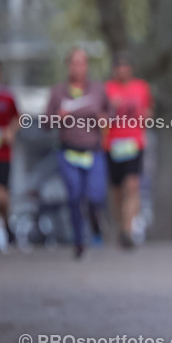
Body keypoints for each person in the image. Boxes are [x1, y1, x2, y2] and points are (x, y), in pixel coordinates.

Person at [45, 47, 110, 258]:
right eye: (74, 63)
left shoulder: (98, 90)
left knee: (95, 196)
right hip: (68, 152)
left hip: (94, 151)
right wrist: (58, 117)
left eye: (82, 63)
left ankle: (94, 219)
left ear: (87, 66)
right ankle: (79, 240)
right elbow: (45, 122)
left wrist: (105, 120)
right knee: (74, 196)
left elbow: (111, 114)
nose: (78, 67)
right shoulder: (58, 92)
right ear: (68, 66)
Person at [103, 55, 152, 249]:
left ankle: (127, 230)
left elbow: (148, 110)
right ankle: (120, 226)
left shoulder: (141, 87)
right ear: (114, 70)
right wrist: (110, 109)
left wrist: (147, 118)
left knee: (132, 186)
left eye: (125, 66)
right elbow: (99, 116)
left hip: (134, 143)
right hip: (112, 144)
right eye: (118, 67)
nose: (122, 70)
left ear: (130, 69)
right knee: (117, 191)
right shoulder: (106, 90)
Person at [0, 57, 20, 252]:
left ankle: (7, 224)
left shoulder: (7, 98)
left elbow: (18, 118)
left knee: (1, 197)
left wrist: (10, 131)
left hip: (1, 154)